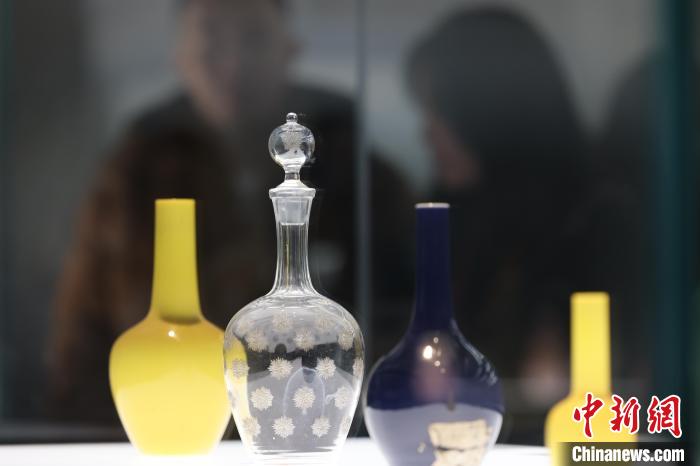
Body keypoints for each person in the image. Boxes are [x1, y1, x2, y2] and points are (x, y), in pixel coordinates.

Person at [48, 0, 412, 425]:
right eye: (211, 43)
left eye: (254, 39)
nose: (233, 64)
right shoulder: (135, 176)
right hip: (171, 418)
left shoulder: (361, 176)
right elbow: (83, 328)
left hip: (316, 419)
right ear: (181, 57)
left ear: (288, 49)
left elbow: (396, 310)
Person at [406, 7, 589, 442]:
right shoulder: (455, 219)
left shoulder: (587, 225)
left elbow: (546, 385)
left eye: (439, 111)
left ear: (484, 113)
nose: (426, 133)